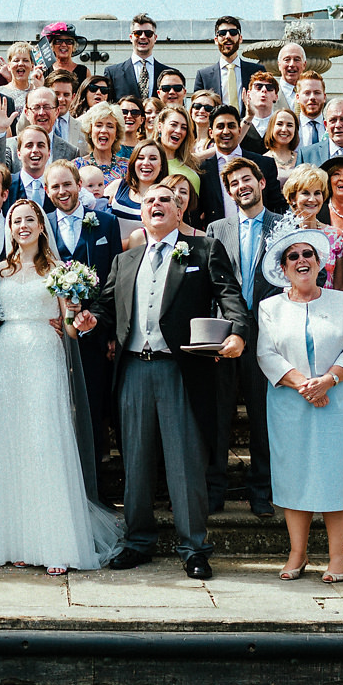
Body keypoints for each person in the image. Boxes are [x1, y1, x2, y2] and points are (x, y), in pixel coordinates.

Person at [88, 181, 249, 581]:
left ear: (180, 212)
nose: (156, 205)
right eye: (149, 201)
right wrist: (89, 318)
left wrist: (239, 333)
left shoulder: (203, 250)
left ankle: (194, 548)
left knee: (185, 464)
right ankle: (138, 542)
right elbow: (107, 308)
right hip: (133, 370)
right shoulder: (126, 261)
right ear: (141, 213)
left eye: (165, 200)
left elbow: (231, 296)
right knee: (136, 462)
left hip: (181, 369)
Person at [0, 199, 119, 574]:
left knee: (45, 441)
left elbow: (72, 326)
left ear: (42, 226)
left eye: (30, 219)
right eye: (16, 220)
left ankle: (55, 543)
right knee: (12, 442)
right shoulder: (0, 270)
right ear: (8, 227)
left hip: (44, 356)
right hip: (8, 357)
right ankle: (19, 540)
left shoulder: (57, 270)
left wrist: (80, 316)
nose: (23, 226)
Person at [256, 225, 343, 583]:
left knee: (335, 477)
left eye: (308, 255)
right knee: (294, 476)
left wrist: (328, 380)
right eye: (293, 257)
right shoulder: (269, 306)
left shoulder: (342, 301)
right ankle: (297, 553)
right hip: (290, 402)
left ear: (320, 263)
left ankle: (338, 557)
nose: (301, 261)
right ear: (284, 268)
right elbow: (266, 353)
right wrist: (306, 385)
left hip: (335, 400)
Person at [205, 157, 283, 518]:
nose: (241, 187)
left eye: (246, 179)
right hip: (226, 337)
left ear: (262, 182)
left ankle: (261, 491)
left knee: (263, 419)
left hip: (269, 336)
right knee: (218, 417)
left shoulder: (282, 227)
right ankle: (213, 491)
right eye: (234, 183)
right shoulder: (217, 229)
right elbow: (212, 284)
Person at [44, 160, 118, 466]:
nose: (62, 191)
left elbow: (115, 280)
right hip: (54, 331)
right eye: (55, 186)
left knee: (93, 406)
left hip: (95, 332)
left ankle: (95, 483)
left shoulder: (105, 223)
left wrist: (109, 331)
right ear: (47, 191)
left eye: (67, 184)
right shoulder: (42, 225)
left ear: (79, 186)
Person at [196, 104, 288, 224]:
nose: (226, 131)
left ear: (239, 130)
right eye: (220, 126)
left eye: (231, 126)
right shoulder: (202, 170)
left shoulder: (264, 164)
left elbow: (277, 205)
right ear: (211, 133)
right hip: (219, 238)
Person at [283, 164, 343, 290]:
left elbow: (340, 286)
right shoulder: (285, 235)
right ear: (292, 198)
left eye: (317, 193)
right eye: (305, 193)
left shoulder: (335, 236)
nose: (312, 199)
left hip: (329, 306)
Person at [105, 139, 168, 245]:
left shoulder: (166, 197)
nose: (146, 163)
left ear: (161, 165)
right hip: (111, 255)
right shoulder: (118, 186)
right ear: (133, 162)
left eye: (153, 159)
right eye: (140, 158)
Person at [194, 15, 265, 108]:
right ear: (216, 40)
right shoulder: (204, 76)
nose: (228, 36)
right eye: (222, 33)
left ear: (240, 38)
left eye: (233, 32)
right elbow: (198, 107)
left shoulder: (257, 71)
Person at [105, 13, 176, 99]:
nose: (143, 37)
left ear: (155, 38)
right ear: (131, 37)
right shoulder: (113, 73)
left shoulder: (170, 74)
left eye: (148, 33)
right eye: (137, 33)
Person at [127, 173, 203, 247]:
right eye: (171, 190)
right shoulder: (138, 237)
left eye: (183, 192)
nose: (177, 195)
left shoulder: (202, 238)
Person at [150, 105, 201, 194]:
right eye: (173, 125)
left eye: (183, 127)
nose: (178, 131)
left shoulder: (191, 174)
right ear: (159, 126)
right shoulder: (144, 163)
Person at [75, 101, 128, 183]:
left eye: (110, 126)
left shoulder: (126, 167)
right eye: (98, 125)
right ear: (90, 131)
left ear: (117, 133)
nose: (103, 130)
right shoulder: (77, 165)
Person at [263, 109, 301, 186]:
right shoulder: (263, 160)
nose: (284, 129)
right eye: (279, 124)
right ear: (271, 127)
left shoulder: (302, 158)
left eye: (289, 125)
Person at [243, 72, 281, 145]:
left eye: (269, 88)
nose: (264, 90)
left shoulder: (282, 125)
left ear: (276, 97)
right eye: (258, 86)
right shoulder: (239, 124)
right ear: (249, 94)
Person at [294, 72, 328, 148]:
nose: (312, 97)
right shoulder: (291, 128)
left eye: (317, 93)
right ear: (297, 97)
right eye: (307, 93)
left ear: (324, 97)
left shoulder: (332, 127)